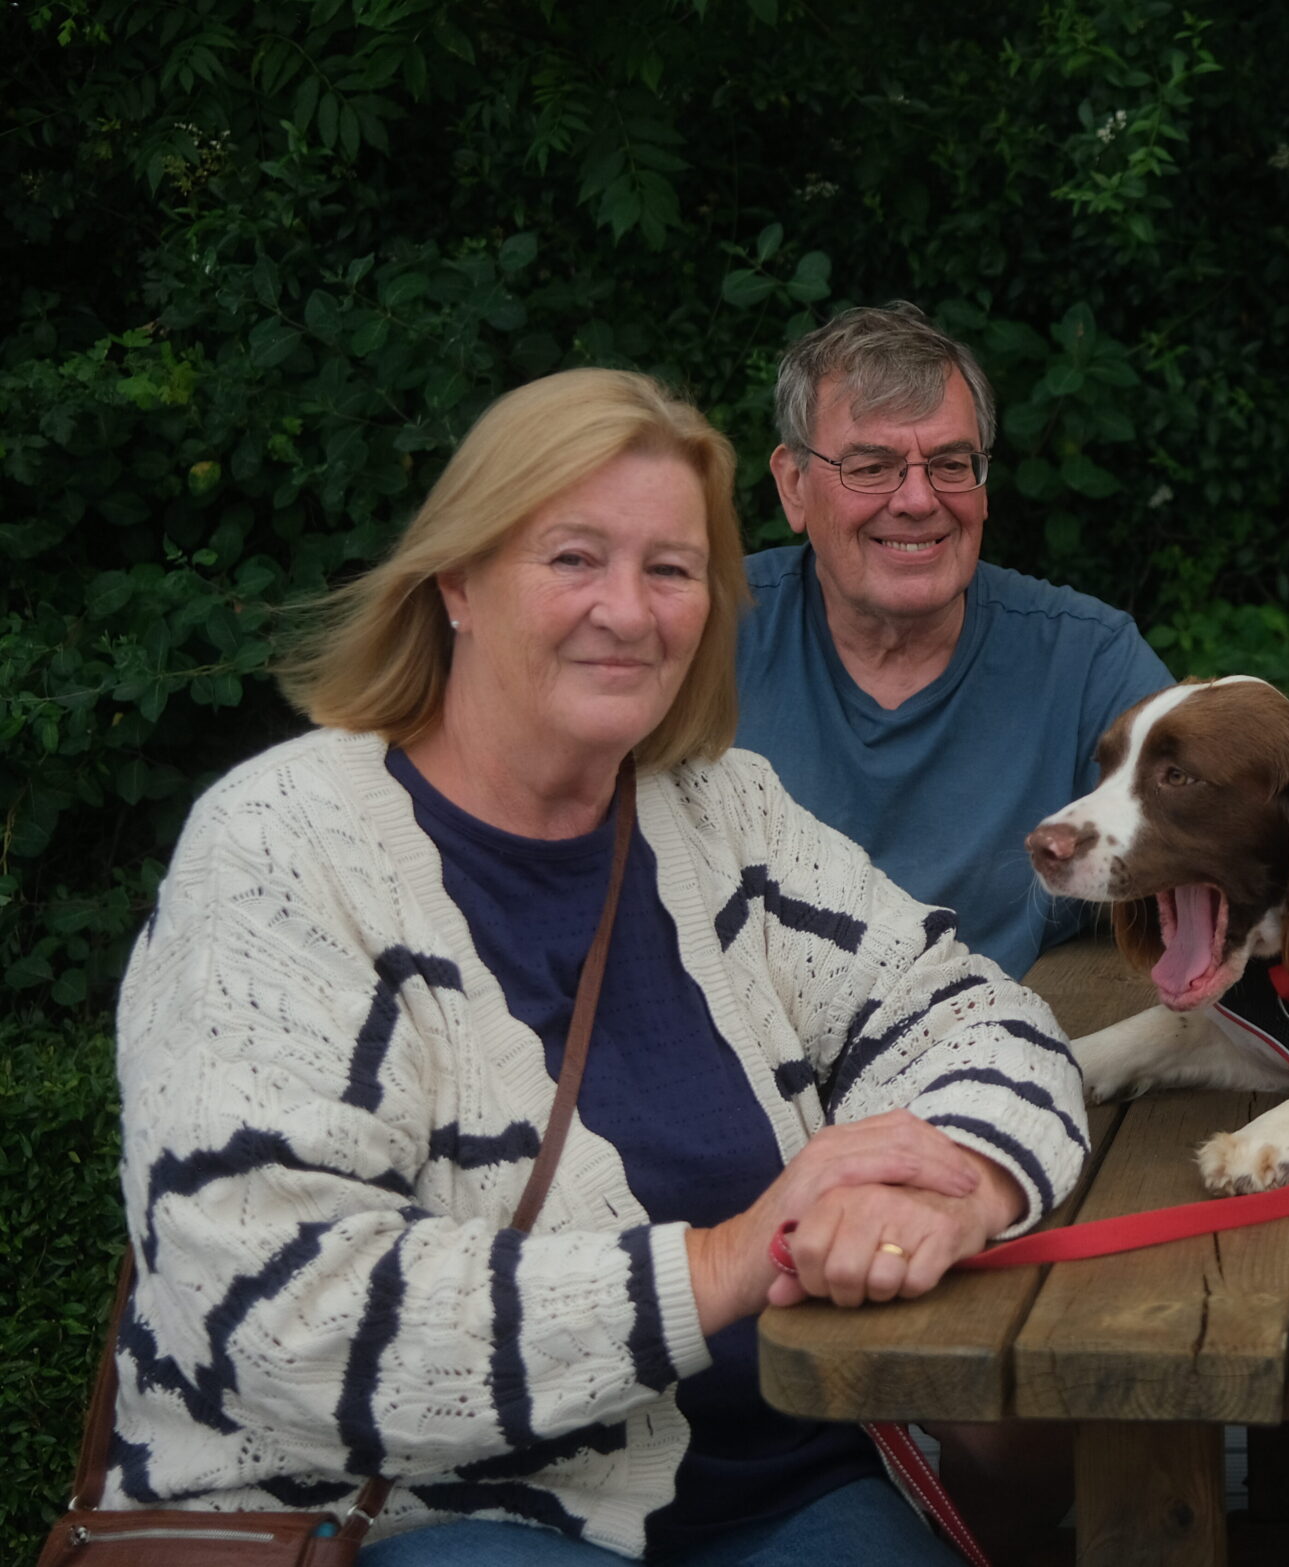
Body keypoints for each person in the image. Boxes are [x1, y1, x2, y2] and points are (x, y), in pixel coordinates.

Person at [110, 369, 1090, 1562]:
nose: (628, 610)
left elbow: (973, 1016)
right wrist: (734, 1257)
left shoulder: (721, 811)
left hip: (775, 1481)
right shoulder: (279, 848)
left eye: (671, 570)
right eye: (573, 558)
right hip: (412, 1511)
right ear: (457, 581)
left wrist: (956, 1183)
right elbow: (281, 1316)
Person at [735, 303, 1174, 981]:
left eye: (949, 463)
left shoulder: (1085, 663)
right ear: (794, 484)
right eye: (872, 466)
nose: (917, 499)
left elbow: (1209, 846)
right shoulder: (705, 635)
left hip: (987, 1047)